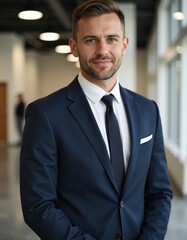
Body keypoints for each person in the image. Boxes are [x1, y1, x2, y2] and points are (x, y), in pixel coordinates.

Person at [20, 0, 173, 239]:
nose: (103, 50)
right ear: (74, 46)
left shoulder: (147, 110)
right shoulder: (46, 114)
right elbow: (38, 206)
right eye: (91, 40)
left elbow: (160, 192)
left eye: (111, 39)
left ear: (124, 45)